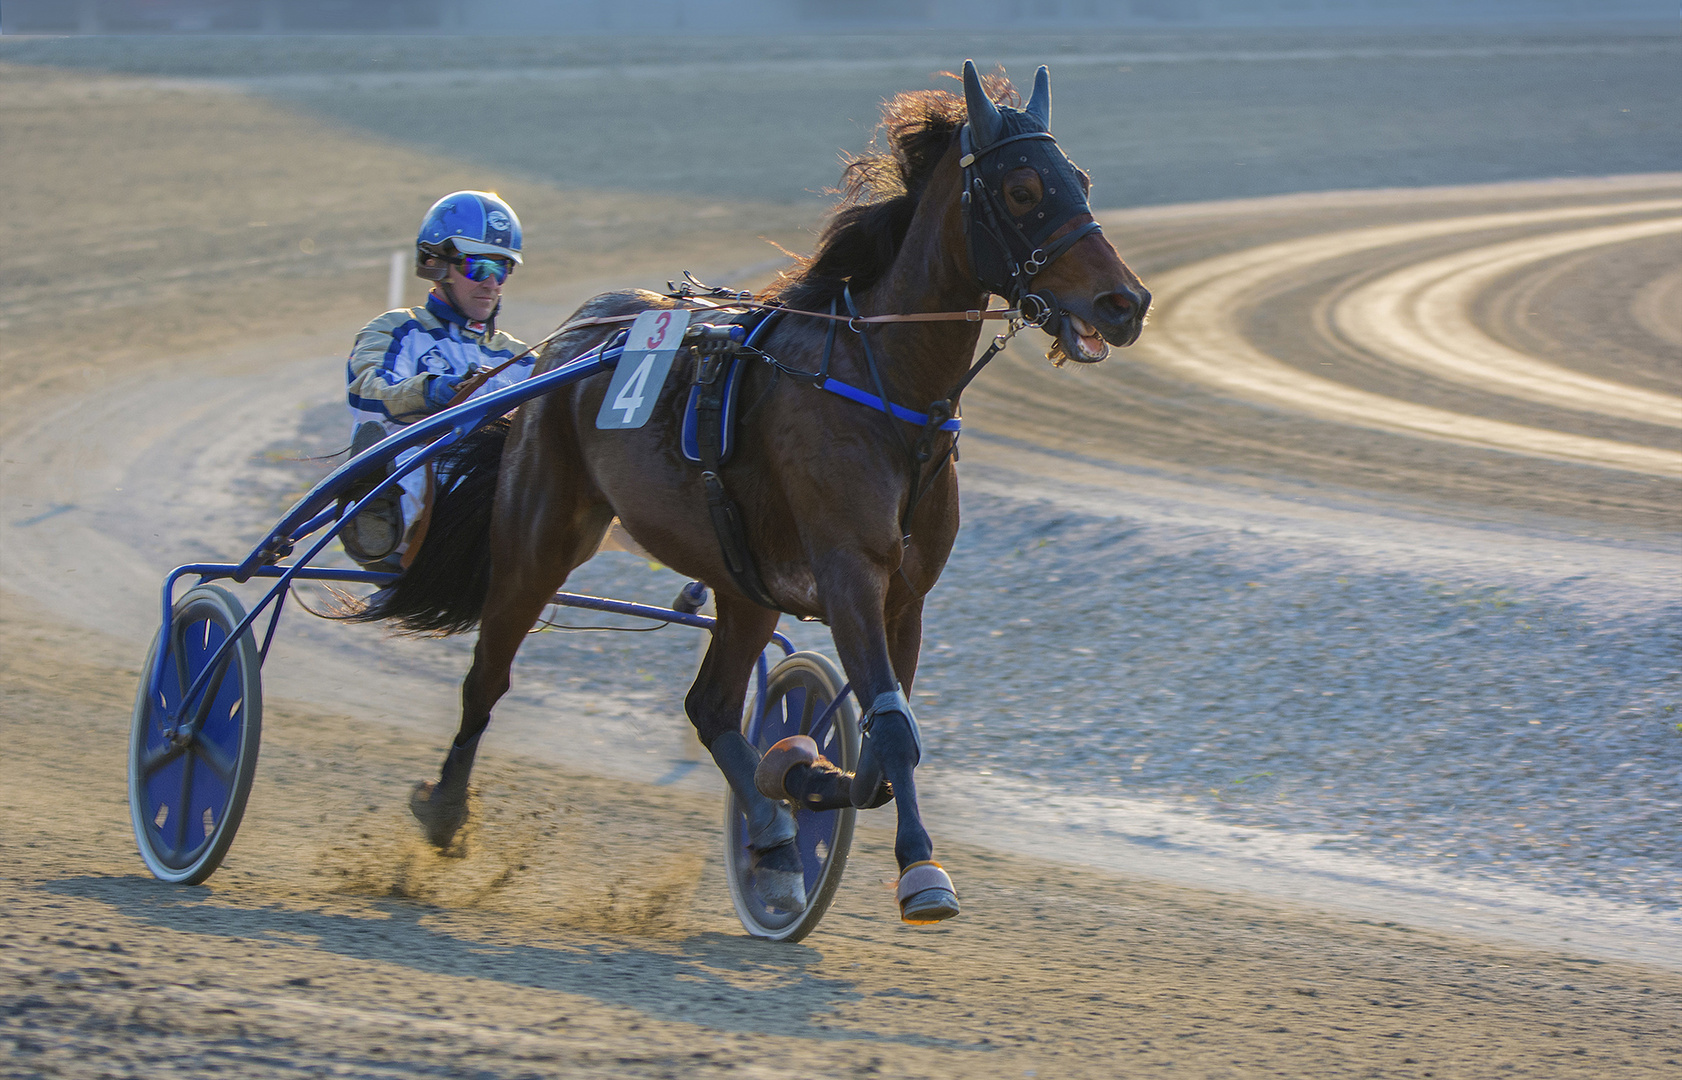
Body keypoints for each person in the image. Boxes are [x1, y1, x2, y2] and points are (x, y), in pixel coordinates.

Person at [340, 191, 533, 569]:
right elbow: (367, 391)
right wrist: (430, 391)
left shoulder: (517, 356)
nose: (491, 283)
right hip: (416, 471)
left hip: (489, 497)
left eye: (503, 269)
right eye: (478, 267)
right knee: (406, 442)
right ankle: (376, 514)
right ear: (436, 264)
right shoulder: (397, 329)